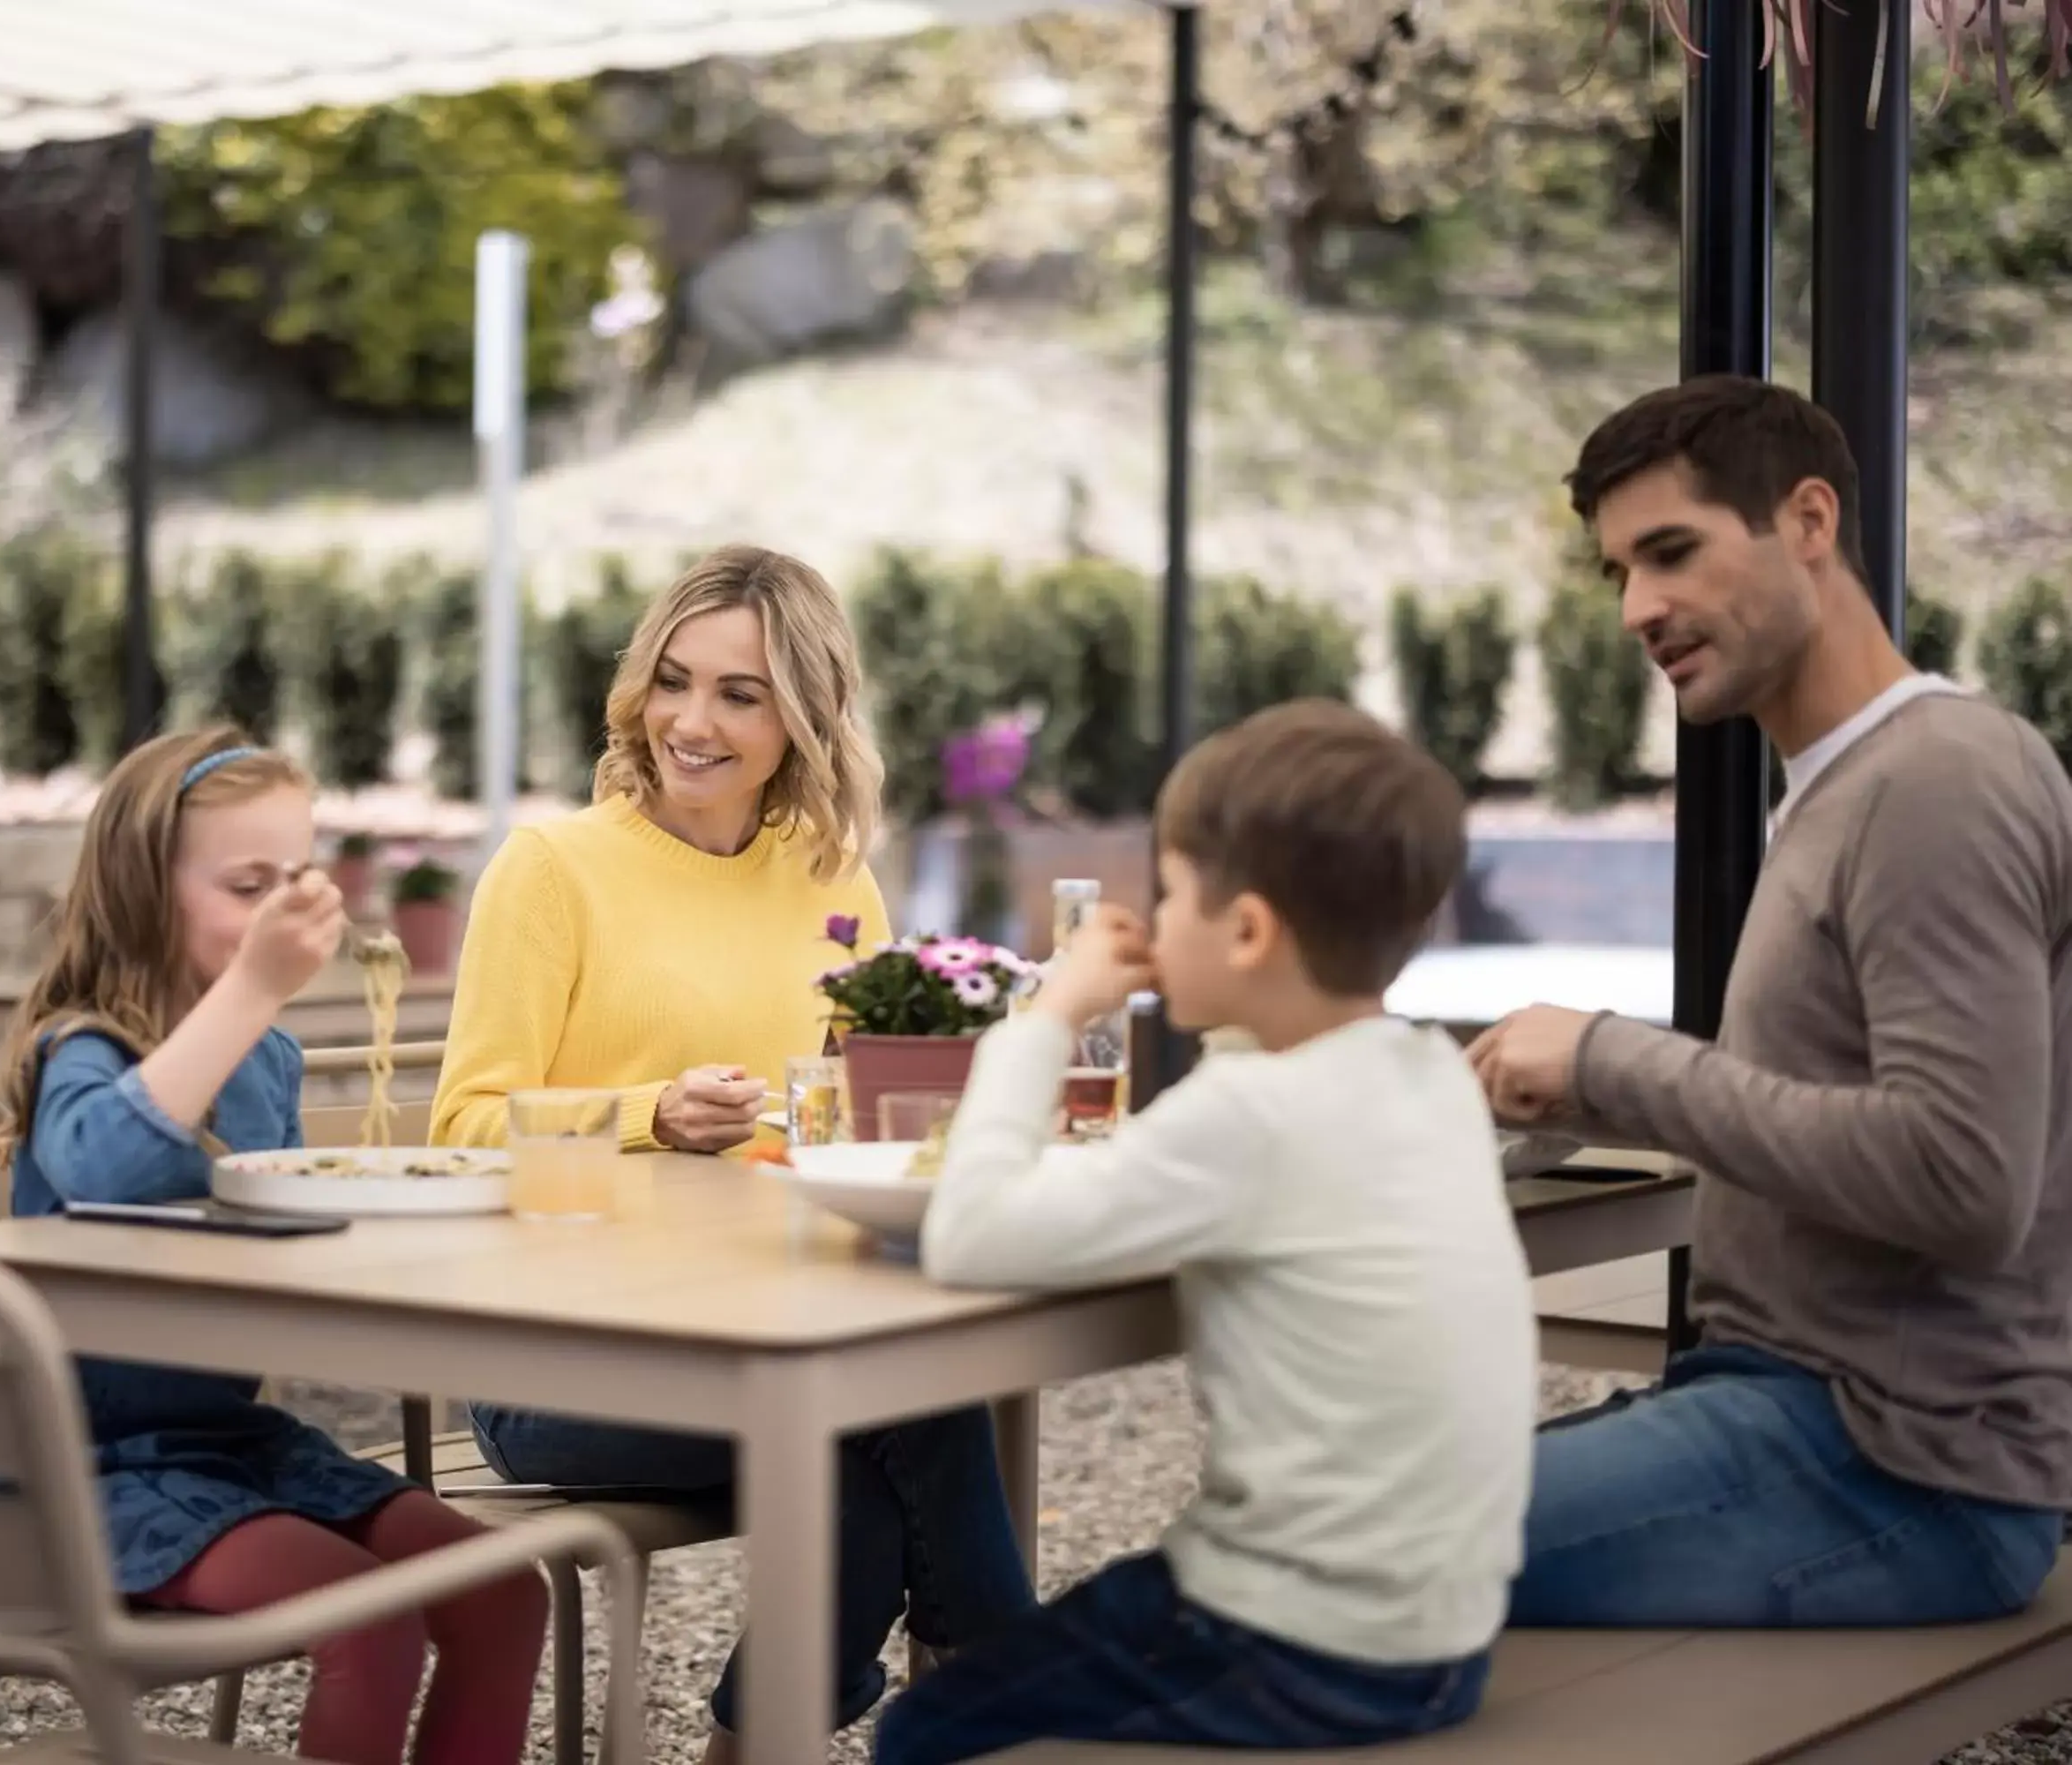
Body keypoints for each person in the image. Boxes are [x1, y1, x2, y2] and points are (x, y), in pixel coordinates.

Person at [1471, 375, 2072, 1627]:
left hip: (1896, 1468)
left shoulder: (1937, 784)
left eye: (1673, 552)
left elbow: (1964, 1181)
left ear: (1808, 521)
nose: (1640, 609)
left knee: (1308, 1551)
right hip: (1789, 1410)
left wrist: (1615, 1064)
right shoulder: (1846, 788)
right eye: (1620, 573)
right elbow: (1837, 1115)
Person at [430, 545, 1036, 1760]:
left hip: (766, 1331)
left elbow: (844, 1124)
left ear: (804, 716)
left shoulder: (829, 877)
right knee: (897, 1408)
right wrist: (650, 1113)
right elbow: (460, 1133)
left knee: (880, 1412)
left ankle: (826, 1725)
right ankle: (1009, 1676)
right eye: (673, 681)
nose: (690, 723)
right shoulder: (552, 871)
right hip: (556, 1359)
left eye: (739, 695)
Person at [875, 701, 1534, 1763]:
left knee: (925, 1729)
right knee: (1077, 1628)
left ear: (1248, 930)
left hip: (1291, 1643)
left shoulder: (1248, 1118)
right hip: (1439, 1640)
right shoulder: (1425, 1079)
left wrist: (1044, 1014)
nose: (1152, 916)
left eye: (1172, 891)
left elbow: (972, 1231)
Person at [0, 727, 548, 1765]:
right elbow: (100, 1166)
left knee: (502, 1588)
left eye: (296, 877)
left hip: (233, 1443)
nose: (281, 908)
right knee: (370, 1619)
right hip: (87, 1473)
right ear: (140, 891)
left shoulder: (268, 1057)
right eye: (248, 883)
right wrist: (254, 987)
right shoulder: (81, 1046)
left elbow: (281, 1221)